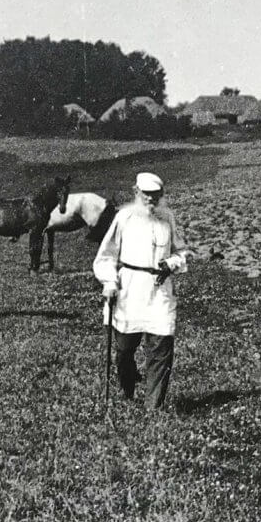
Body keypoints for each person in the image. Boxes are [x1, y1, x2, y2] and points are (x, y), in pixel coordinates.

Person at [93, 172, 189, 410]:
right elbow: (105, 255)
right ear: (136, 192)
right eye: (146, 194)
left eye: (156, 195)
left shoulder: (167, 218)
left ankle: (152, 407)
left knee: (162, 347)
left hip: (159, 290)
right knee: (124, 349)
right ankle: (127, 388)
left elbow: (182, 250)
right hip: (130, 289)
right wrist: (109, 282)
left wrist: (173, 262)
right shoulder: (124, 217)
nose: (151, 199)